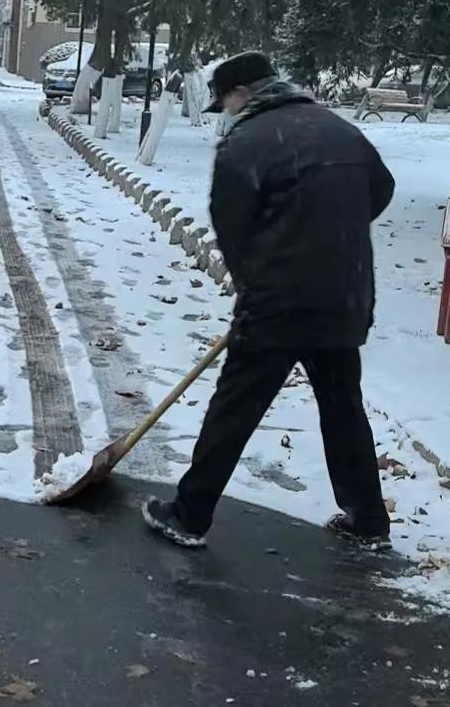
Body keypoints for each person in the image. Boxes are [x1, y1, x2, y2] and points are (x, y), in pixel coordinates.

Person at [142, 52, 396, 551]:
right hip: (345, 295)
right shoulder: (339, 130)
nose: (225, 111)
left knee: (234, 408)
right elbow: (381, 190)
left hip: (278, 301)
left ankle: (189, 515)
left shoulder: (245, 144)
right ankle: (368, 519)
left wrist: (255, 286)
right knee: (342, 406)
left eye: (225, 101)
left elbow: (232, 229)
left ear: (242, 94)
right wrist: (329, 234)